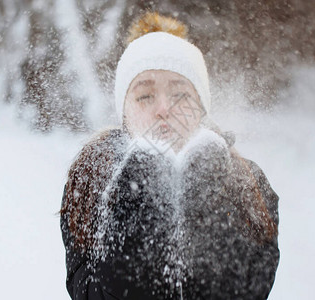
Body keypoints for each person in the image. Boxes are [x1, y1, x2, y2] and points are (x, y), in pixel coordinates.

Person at [60, 12, 279, 300]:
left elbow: (247, 290)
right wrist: (140, 191)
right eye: (145, 96)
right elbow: (90, 292)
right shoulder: (92, 178)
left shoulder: (248, 183)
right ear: (124, 113)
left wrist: (204, 187)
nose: (164, 108)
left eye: (180, 95)